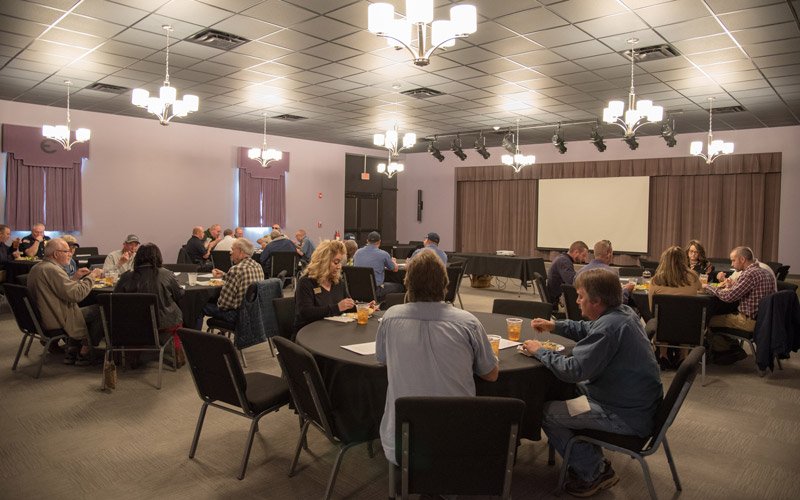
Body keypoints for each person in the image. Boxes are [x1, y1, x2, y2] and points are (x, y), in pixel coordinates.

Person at [521, 269, 662, 497]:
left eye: (580, 296)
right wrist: (555, 326)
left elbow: (574, 370)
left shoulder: (609, 328)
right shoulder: (621, 313)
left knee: (546, 412)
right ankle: (589, 457)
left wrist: (540, 352)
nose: (577, 301)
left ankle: (594, 472)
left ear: (596, 301)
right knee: (563, 392)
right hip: (632, 401)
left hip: (623, 415)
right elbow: (588, 329)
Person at [376, 251, 499, 464]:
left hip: (402, 442)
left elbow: (382, 360)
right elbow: (491, 375)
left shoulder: (390, 317)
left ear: (408, 285)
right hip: (458, 440)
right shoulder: (468, 323)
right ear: (445, 284)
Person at [27, 237, 104, 365]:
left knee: (84, 309)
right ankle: (85, 351)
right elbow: (76, 295)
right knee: (100, 309)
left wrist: (76, 277)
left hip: (43, 316)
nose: (70, 254)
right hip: (57, 318)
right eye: (66, 251)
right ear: (56, 254)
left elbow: (59, 290)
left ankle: (73, 349)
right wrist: (92, 277)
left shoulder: (38, 267)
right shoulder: (52, 270)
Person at [115, 243, 186, 365]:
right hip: (165, 322)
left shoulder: (126, 277)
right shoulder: (167, 274)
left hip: (134, 323)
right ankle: (178, 354)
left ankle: (132, 355)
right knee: (176, 315)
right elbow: (179, 294)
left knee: (136, 325)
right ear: (158, 257)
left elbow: (117, 298)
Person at [648, 245, 702, 369]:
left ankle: (663, 355)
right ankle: (684, 356)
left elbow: (652, 310)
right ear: (684, 260)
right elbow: (701, 290)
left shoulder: (656, 280)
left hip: (663, 329)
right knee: (686, 316)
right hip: (688, 329)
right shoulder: (693, 277)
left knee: (662, 317)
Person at [705, 246, 776, 333]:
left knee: (706, 320)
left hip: (748, 321)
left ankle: (722, 345)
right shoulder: (765, 272)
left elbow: (729, 297)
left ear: (742, 259)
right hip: (764, 320)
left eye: (733, 260)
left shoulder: (749, 274)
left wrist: (707, 287)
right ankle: (729, 344)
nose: (731, 264)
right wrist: (731, 286)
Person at [198, 238, 264, 328]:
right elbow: (242, 278)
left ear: (240, 252)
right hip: (252, 313)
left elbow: (224, 304)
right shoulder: (258, 266)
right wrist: (225, 275)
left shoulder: (236, 269)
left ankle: (193, 338)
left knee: (198, 306)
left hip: (235, 315)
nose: (230, 252)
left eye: (233, 250)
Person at [293, 240, 355, 333]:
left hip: (331, 331)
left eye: (340, 262)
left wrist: (363, 307)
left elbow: (347, 306)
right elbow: (306, 313)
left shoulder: (338, 282)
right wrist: (337, 308)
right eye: (336, 262)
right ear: (323, 262)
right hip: (308, 333)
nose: (339, 267)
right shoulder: (306, 282)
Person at [353, 231, 404, 300]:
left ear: (367, 241)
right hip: (376, 290)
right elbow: (395, 269)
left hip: (358, 290)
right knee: (400, 287)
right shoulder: (383, 254)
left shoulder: (357, 252)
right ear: (379, 242)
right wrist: (393, 262)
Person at [547, 240, 589, 305]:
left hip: (555, 296)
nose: (584, 259)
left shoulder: (563, 258)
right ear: (576, 252)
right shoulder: (564, 261)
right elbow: (572, 282)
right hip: (556, 300)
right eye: (583, 255)